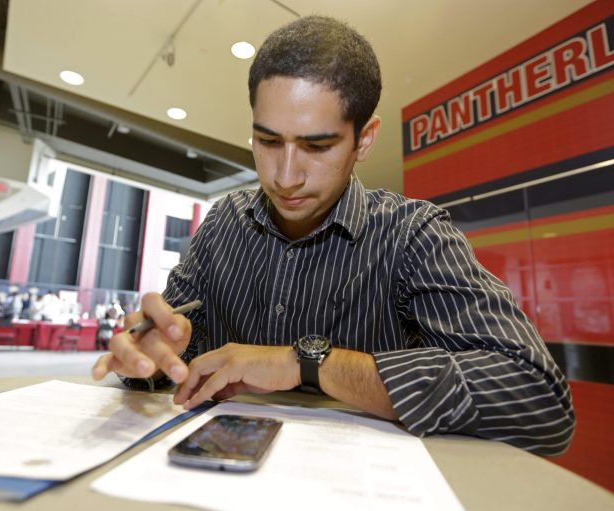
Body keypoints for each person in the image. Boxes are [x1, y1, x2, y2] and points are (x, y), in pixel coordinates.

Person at [91, 16, 574, 456]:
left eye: (317, 146)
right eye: (267, 140)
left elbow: (539, 400)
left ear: (364, 139)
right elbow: (170, 352)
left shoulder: (413, 235)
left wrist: (309, 363)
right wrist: (154, 358)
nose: (285, 175)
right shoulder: (222, 225)